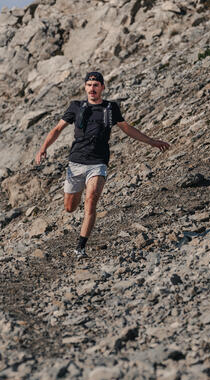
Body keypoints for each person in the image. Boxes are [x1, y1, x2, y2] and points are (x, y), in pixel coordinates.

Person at [35, 71, 171, 258]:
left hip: (98, 163)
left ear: (102, 88)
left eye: (96, 85)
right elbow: (58, 129)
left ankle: (80, 247)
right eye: (89, 85)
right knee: (70, 208)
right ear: (85, 87)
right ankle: (79, 189)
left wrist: (151, 141)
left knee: (91, 201)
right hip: (76, 162)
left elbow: (127, 128)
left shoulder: (110, 108)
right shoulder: (76, 106)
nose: (92, 88)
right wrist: (43, 148)